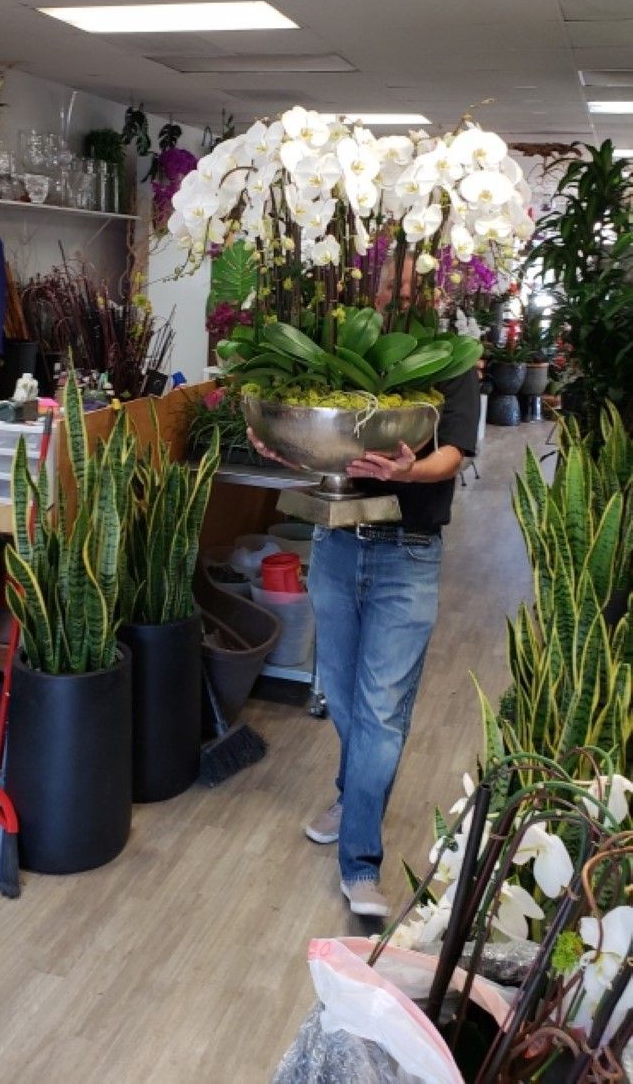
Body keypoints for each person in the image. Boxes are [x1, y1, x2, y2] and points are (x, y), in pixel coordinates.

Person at [247, 254, 480, 917]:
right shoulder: (339, 343)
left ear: (436, 289)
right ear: (371, 282)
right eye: (391, 279)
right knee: (344, 696)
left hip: (407, 551)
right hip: (337, 541)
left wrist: (408, 472)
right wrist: (280, 442)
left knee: (379, 710)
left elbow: (452, 454)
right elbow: (317, 431)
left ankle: (359, 862)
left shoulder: (449, 359)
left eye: (414, 283)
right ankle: (354, 794)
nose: (399, 291)